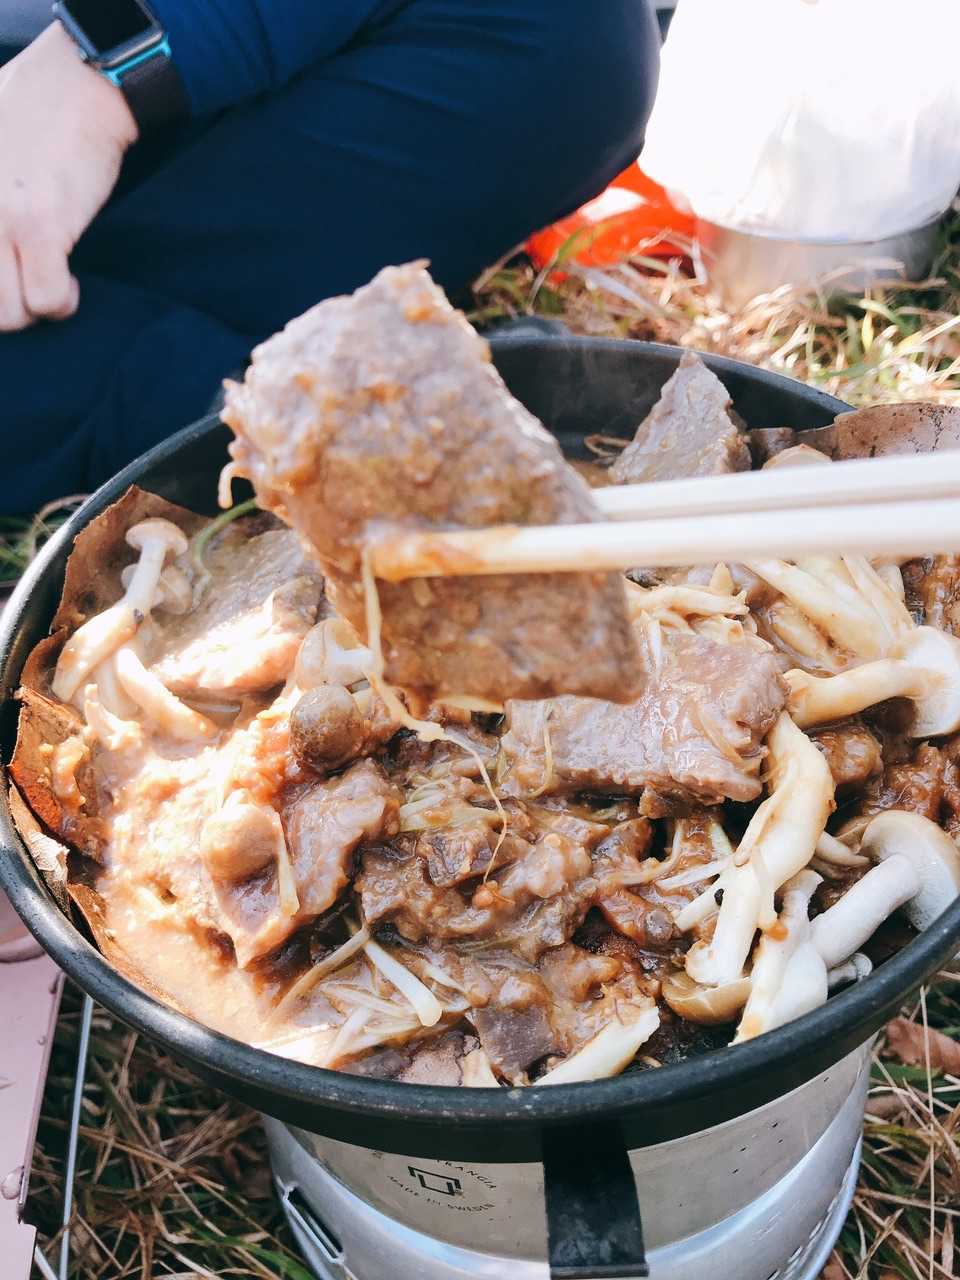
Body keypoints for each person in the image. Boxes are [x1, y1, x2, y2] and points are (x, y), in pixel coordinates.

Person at [0, 1, 659, 511]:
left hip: (130, 72)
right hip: (108, 327)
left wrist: (90, 66)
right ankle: (314, 423)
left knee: (576, 42)